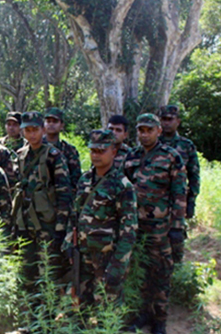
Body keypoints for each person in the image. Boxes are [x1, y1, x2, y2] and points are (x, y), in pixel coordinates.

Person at [123, 113, 186, 334]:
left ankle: (159, 321)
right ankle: (142, 314)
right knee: (139, 272)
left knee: (160, 274)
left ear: (159, 131)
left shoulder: (171, 156)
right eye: (141, 130)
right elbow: (123, 189)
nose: (144, 134)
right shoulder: (131, 157)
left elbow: (179, 193)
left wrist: (177, 226)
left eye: (149, 130)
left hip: (161, 228)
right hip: (135, 228)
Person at [63, 130, 137, 307]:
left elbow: (129, 231)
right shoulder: (85, 179)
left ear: (113, 151)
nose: (96, 155)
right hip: (82, 256)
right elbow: (75, 215)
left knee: (106, 311)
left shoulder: (122, 185)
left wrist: (118, 266)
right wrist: (68, 241)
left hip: (107, 260)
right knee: (78, 306)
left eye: (101, 151)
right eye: (93, 150)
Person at [13, 111, 73, 290]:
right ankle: (30, 313)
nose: (32, 134)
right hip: (25, 223)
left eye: (35, 129)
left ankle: (47, 315)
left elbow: (64, 195)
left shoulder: (54, 155)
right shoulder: (21, 155)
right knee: (26, 271)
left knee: (48, 275)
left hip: (47, 226)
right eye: (28, 130)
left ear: (42, 130)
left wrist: (60, 229)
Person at [158, 105, 200, 264]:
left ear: (178, 121)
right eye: (163, 119)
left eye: (170, 119)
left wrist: (191, 201)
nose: (166, 123)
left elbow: (194, 175)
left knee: (176, 242)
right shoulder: (152, 143)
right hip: (155, 203)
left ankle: (177, 276)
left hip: (178, 203)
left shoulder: (186, 145)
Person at [43, 107, 82, 193]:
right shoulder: (36, 147)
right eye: (48, 121)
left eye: (55, 121)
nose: (51, 124)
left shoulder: (70, 150)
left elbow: (76, 178)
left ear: (62, 125)